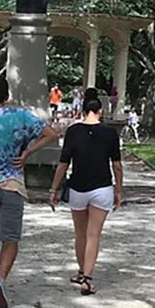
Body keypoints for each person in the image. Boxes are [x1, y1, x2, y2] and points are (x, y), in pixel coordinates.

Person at [0, 76, 58, 308]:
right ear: (7, 96)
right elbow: (51, 134)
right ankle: (1, 279)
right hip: (13, 184)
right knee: (10, 238)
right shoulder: (21, 116)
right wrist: (27, 152)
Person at [49, 97, 123, 295]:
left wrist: (54, 189)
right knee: (94, 234)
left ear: (82, 111)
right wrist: (118, 190)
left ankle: (82, 271)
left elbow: (63, 163)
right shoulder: (110, 133)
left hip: (78, 188)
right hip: (102, 187)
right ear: (100, 111)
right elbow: (116, 164)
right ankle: (88, 279)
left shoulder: (74, 131)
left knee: (80, 233)